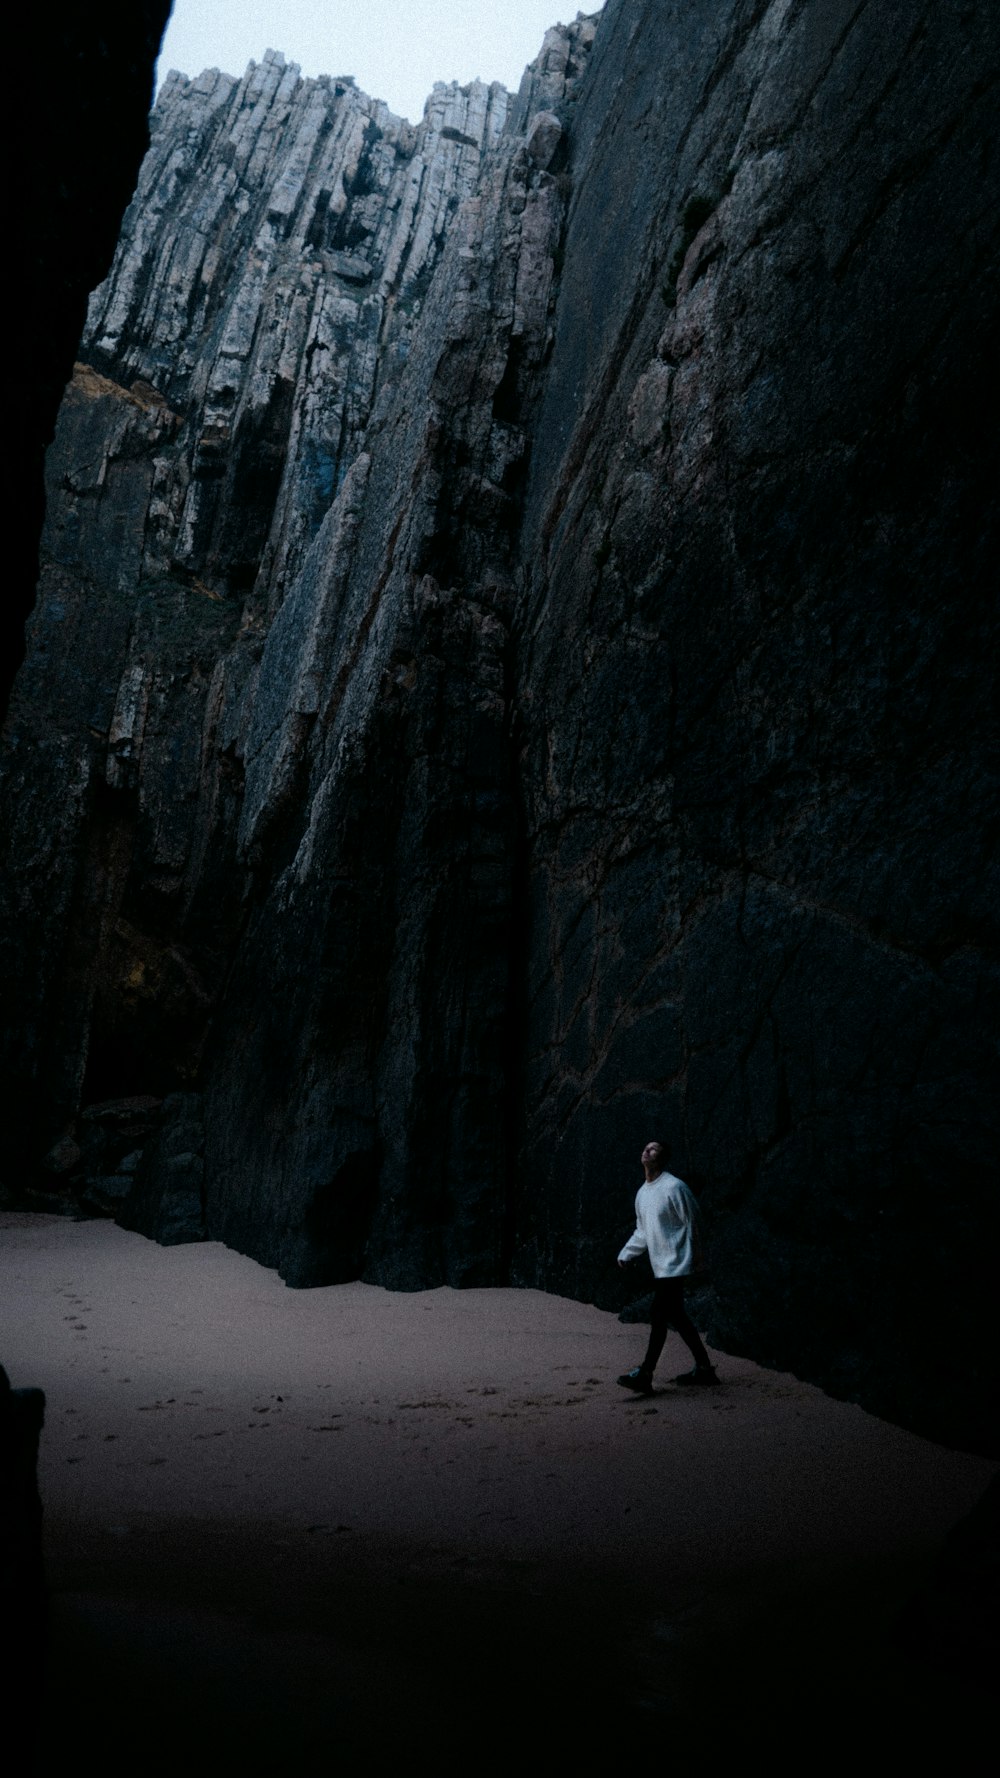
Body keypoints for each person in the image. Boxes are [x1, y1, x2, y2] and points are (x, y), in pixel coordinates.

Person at [616, 1140, 718, 1393]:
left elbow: (694, 1222)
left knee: (658, 1314)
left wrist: (696, 1261)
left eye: (653, 1149)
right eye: (646, 1147)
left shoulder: (674, 1187)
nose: (646, 1150)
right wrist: (627, 1253)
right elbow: (643, 1230)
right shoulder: (643, 1193)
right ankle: (704, 1369)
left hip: (677, 1264)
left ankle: (645, 1373)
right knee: (677, 1317)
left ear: (661, 1159)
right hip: (660, 1266)